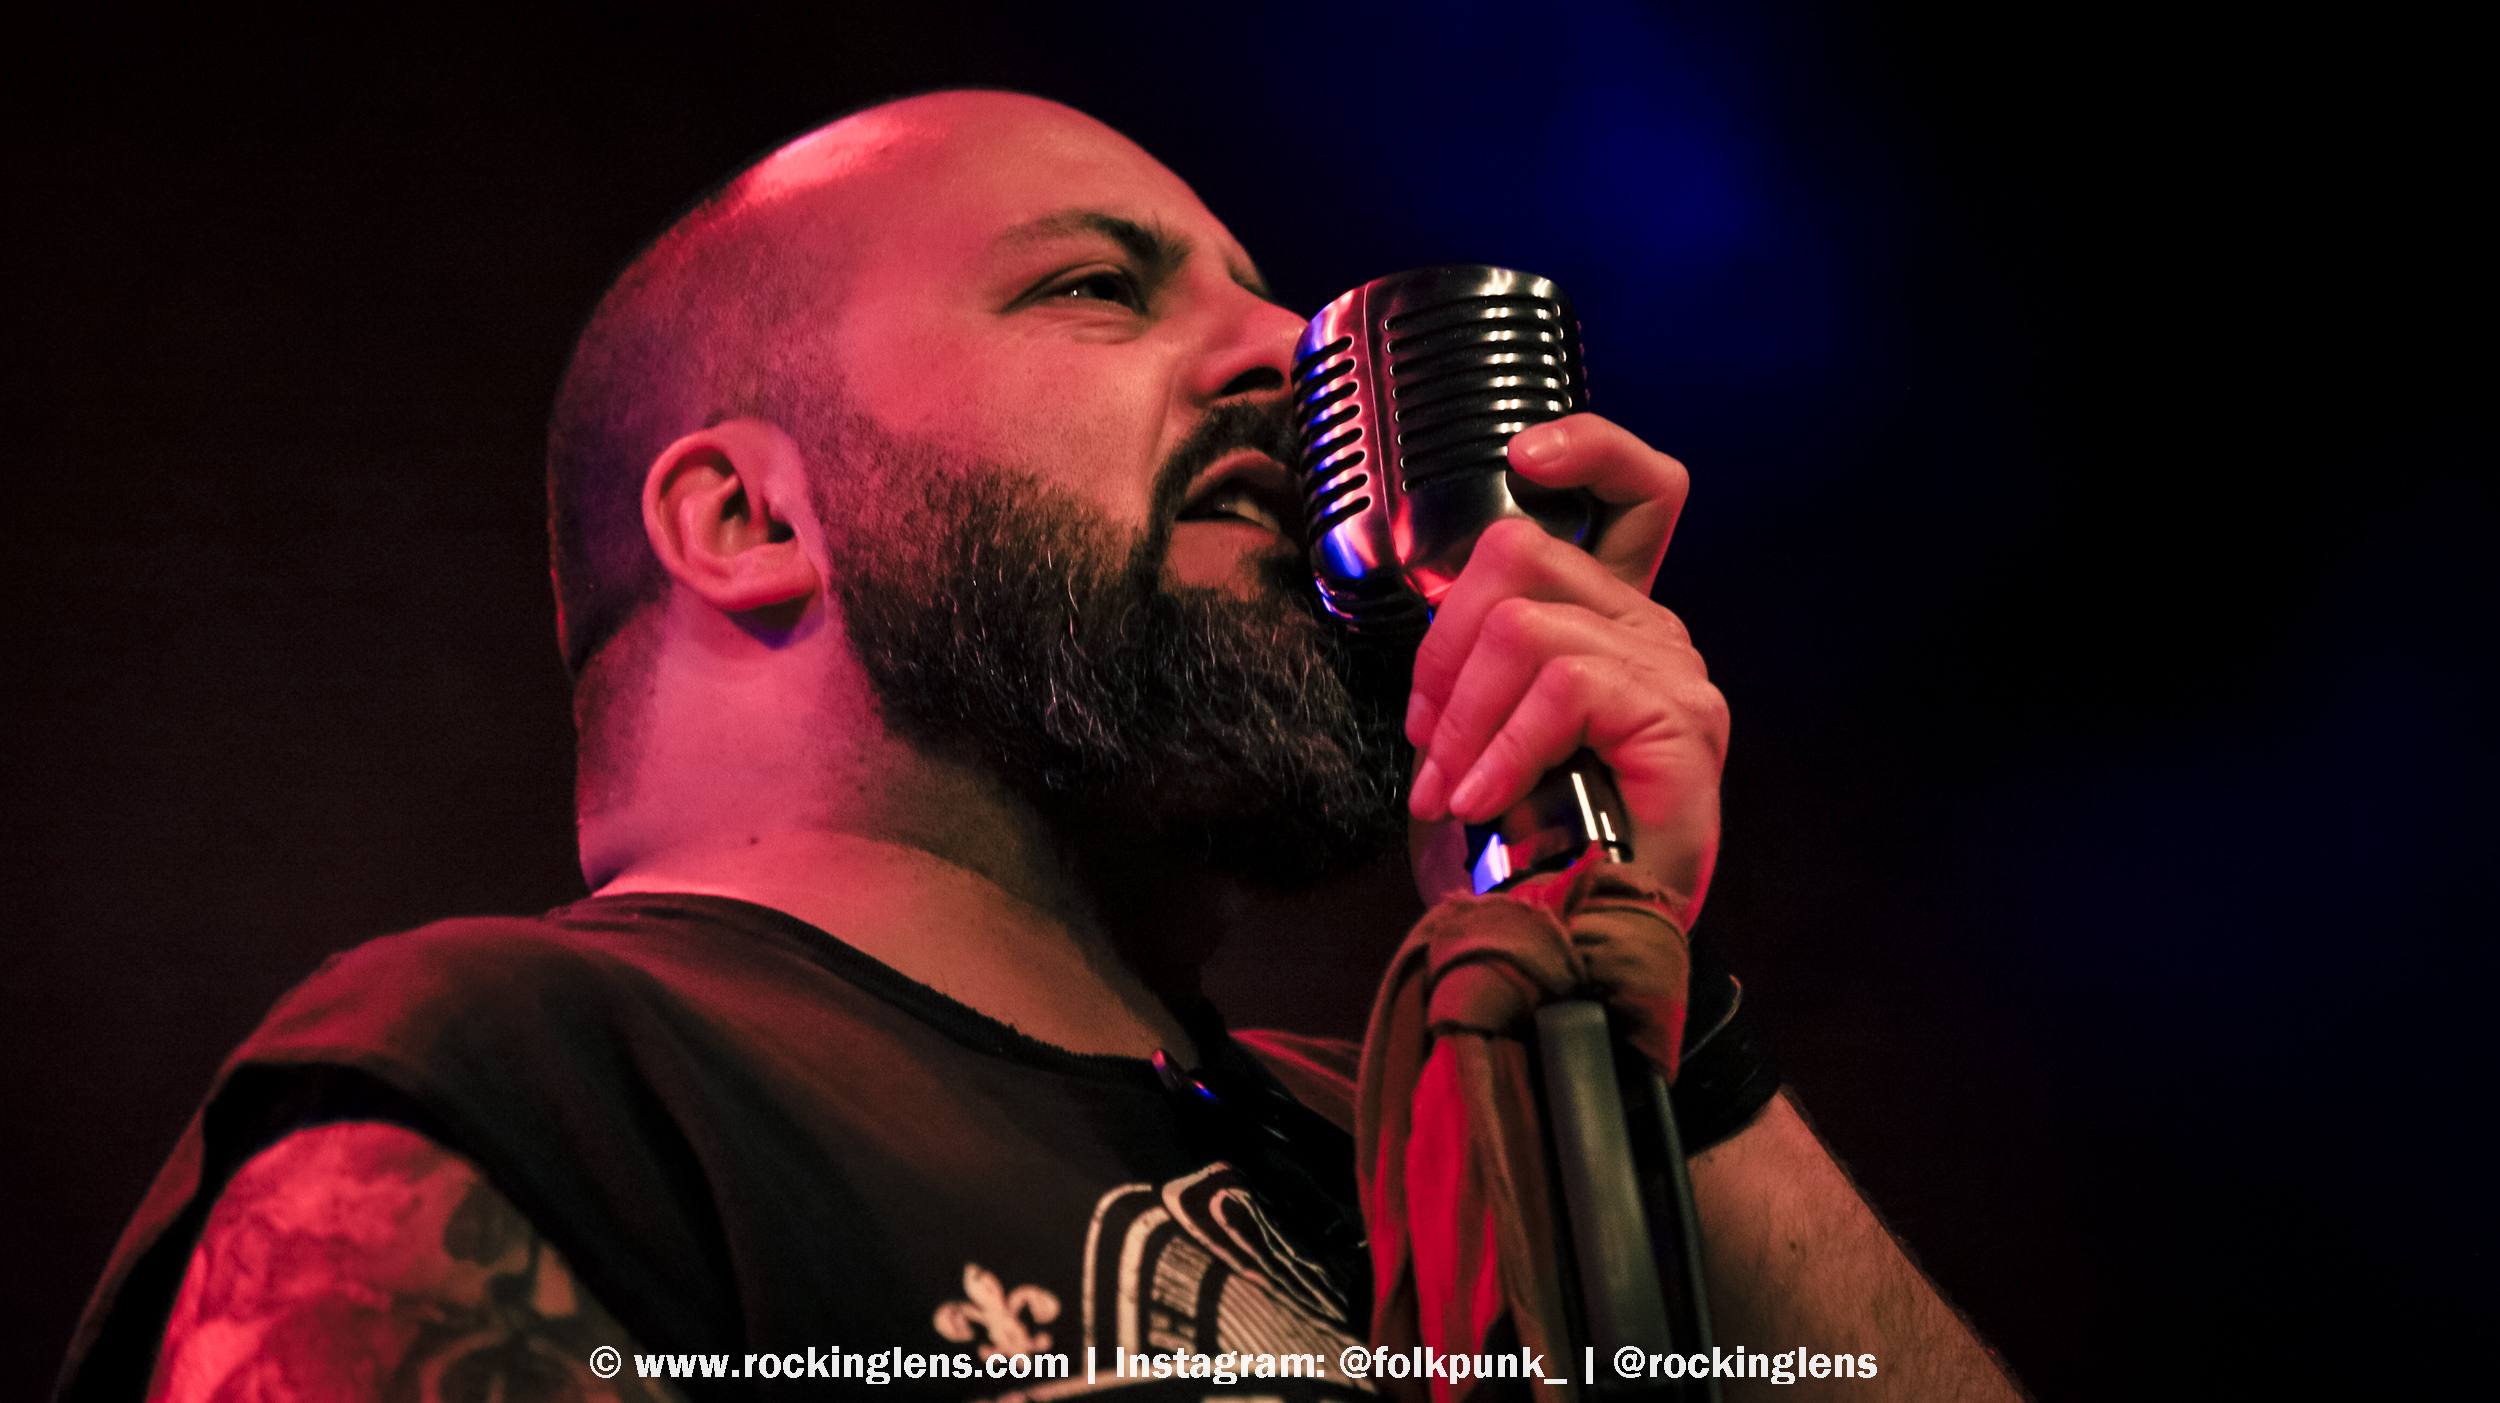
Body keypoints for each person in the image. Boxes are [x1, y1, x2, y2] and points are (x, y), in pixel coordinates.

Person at [58, 91, 2025, 1402]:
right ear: (746, 517)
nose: (1290, 354)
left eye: (1266, 299)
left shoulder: (1428, 1137)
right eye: (1096, 287)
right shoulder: (529, 1073)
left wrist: (1628, 983)